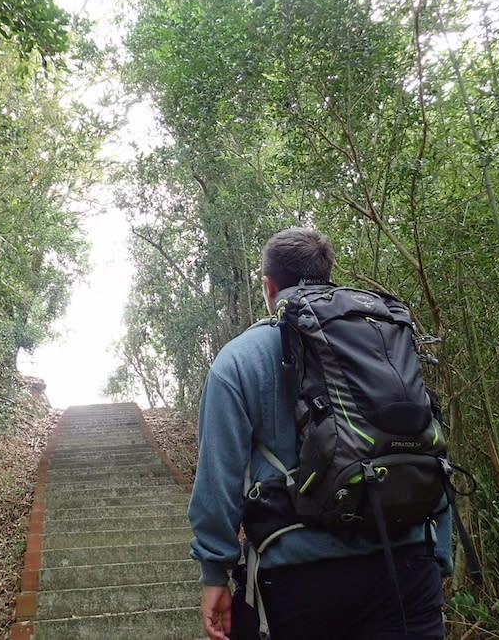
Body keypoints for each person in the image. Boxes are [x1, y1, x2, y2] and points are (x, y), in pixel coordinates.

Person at [188, 227, 452, 640]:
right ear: (328, 274)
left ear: (269, 285)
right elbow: (427, 440)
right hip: (407, 563)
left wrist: (214, 571)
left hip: (298, 577)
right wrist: (439, 552)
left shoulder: (239, 359)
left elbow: (217, 481)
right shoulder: (385, 339)